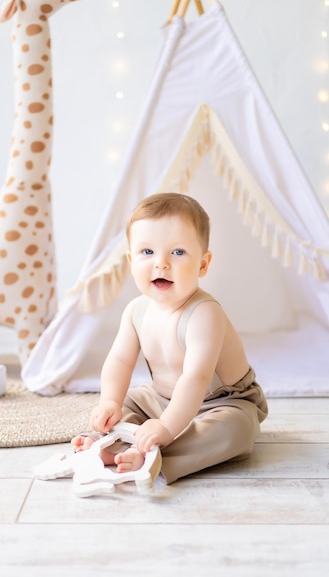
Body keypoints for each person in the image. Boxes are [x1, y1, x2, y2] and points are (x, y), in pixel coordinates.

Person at [71, 192, 268, 484]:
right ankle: (112, 440)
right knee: (130, 401)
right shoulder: (136, 311)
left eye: (177, 252)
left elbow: (196, 379)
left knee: (235, 430)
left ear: (202, 264)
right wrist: (110, 402)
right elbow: (120, 361)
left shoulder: (205, 314)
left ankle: (154, 454)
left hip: (219, 403)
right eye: (147, 252)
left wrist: (165, 426)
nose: (161, 263)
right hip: (160, 399)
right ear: (131, 260)